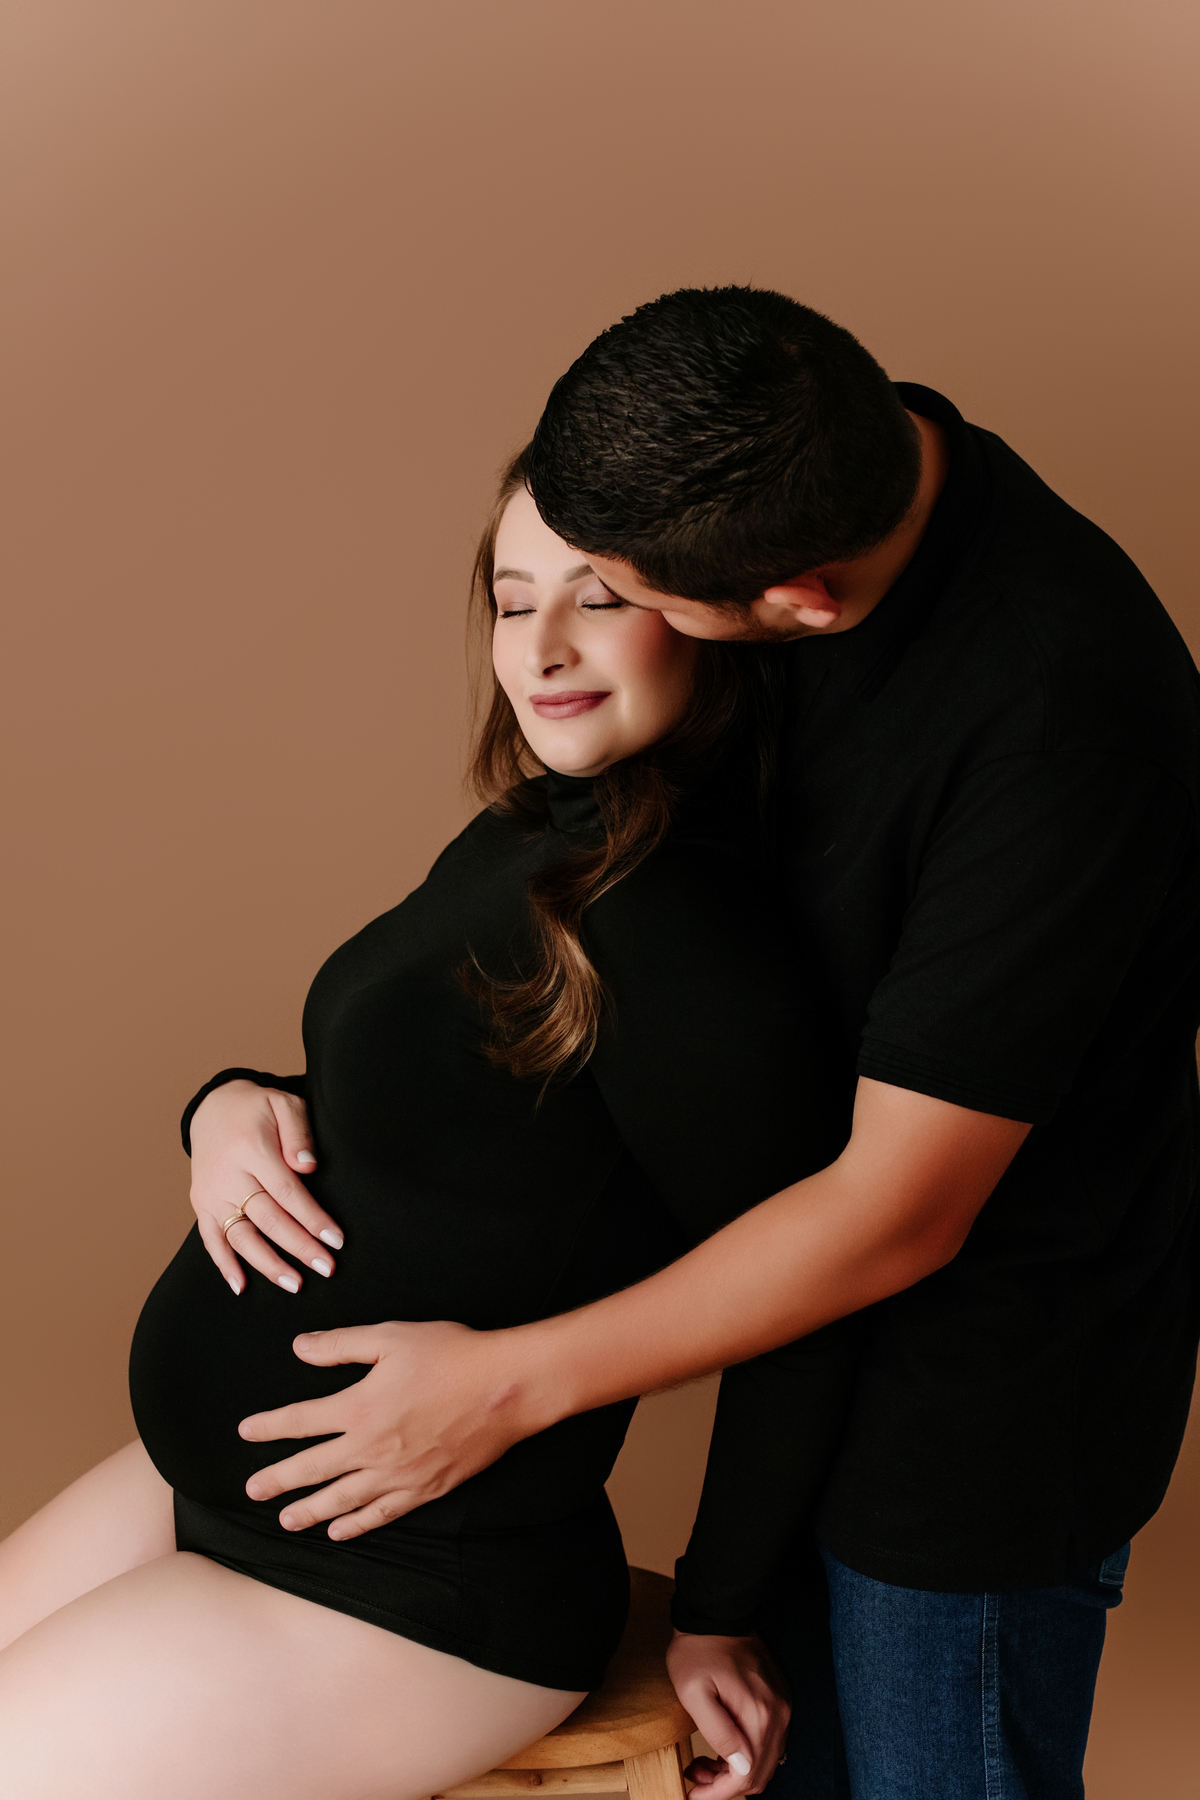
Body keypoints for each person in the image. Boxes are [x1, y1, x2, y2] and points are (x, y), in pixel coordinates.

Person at [191, 288, 1200, 1800]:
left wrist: (503, 1388)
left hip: (973, 1410)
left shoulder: (1060, 717)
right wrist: (240, 1099)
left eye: (620, 594)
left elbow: (896, 1212)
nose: (571, 630)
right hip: (786, 1368)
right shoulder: (788, 453)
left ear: (797, 606)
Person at [0, 456, 818, 1799]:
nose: (541, 647)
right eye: (514, 600)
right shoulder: (540, 835)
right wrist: (225, 1106)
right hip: (228, 1492)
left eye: (600, 598)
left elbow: (805, 1297)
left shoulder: (688, 922)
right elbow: (430, 1100)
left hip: (415, 1583)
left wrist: (722, 1609)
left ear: (705, 610)